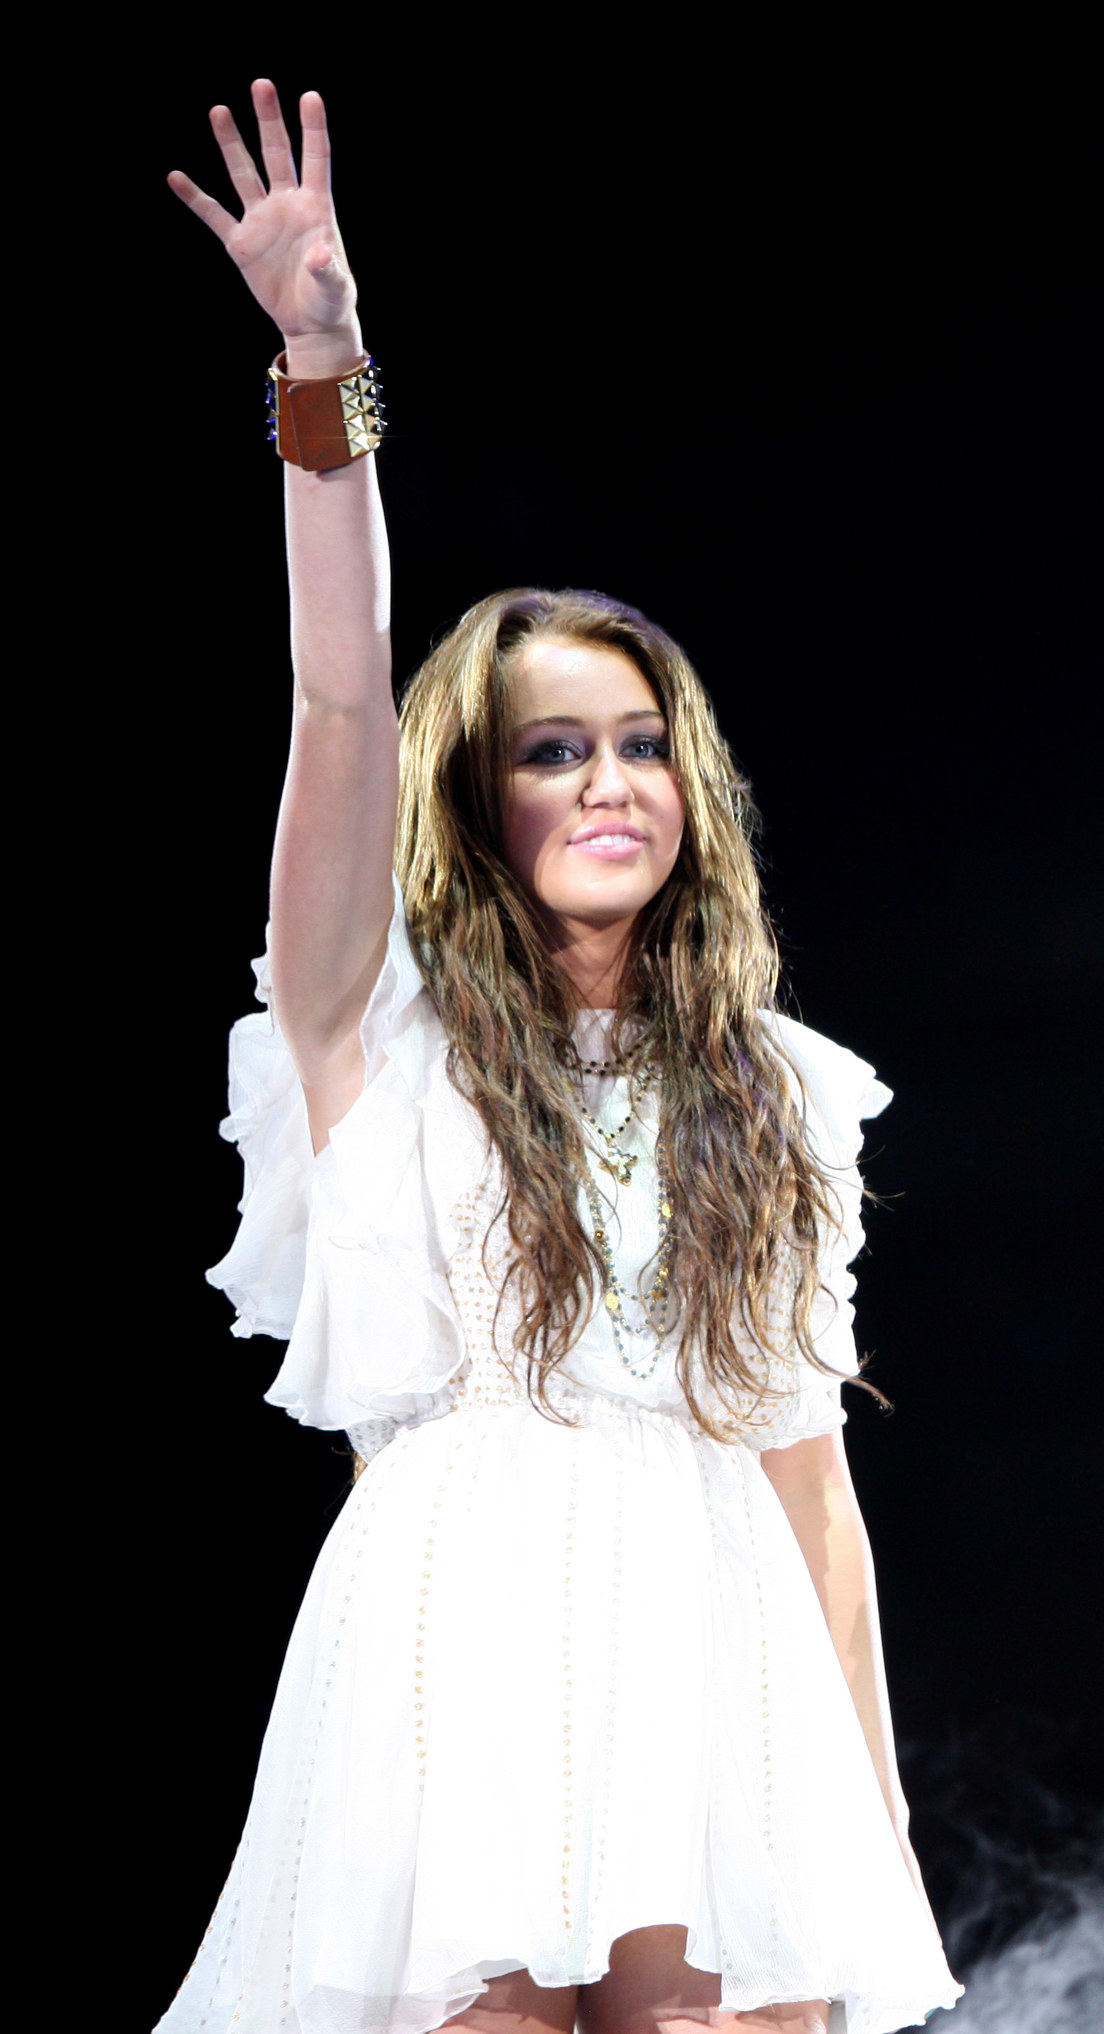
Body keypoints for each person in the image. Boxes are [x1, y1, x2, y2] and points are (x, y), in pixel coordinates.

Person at [158, 83, 960, 2034]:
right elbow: (340, 685)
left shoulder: (771, 1091)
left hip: (714, 1644)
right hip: (457, 1649)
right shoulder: (367, 1028)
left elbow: (808, 1488)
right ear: (480, 797)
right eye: (550, 746)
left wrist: (875, 1853)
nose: (609, 776)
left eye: (636, 738)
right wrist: (321, 369)